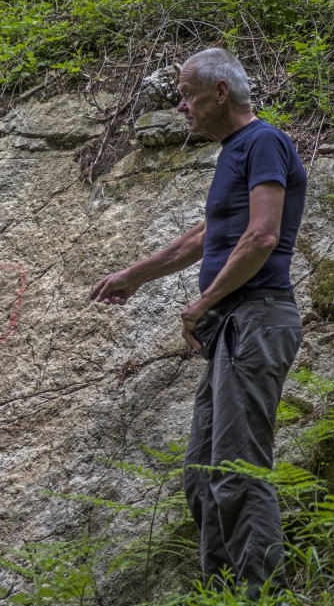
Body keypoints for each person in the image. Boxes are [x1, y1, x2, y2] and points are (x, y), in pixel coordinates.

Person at [90, 48, 307, 597]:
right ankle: (223, 592)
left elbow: (261, 236)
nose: (182, 107)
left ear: (220, 93)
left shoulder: (264, 142)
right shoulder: (236, 153)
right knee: (202, 476)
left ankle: (263, 594)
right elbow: (203, 237)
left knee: (237, 471)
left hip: (255, 319)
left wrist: (201, 303)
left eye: (187, 95)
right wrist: (133, 275)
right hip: (235, 326)